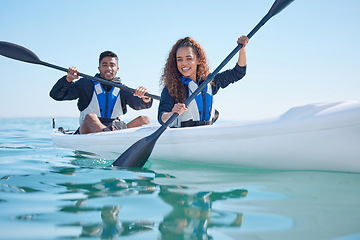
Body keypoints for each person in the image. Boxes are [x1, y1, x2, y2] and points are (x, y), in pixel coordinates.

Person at [50, 51, 153, 134]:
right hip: (88, 130)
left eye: (112, 65)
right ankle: (107, 136)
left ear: (117, 69)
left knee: (145, 120)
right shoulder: (86, 84)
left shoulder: (122, 90)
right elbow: (56, 95)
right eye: (105, 65)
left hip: (116, 130)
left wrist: (145, 97)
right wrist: (68, 79)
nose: (108, 68)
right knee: (90, 117)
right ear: (99, 68)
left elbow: (138, 103)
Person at [158, 36, 249, 128]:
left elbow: (238, 72)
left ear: (198, 60)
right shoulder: (172, 87)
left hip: (205, 135)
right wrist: (171, 114)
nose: (184, 63)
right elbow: (161, 116)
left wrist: (242, 49)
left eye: (189, 58)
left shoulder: (209, 82)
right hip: (184, 137)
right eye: (179, 59)